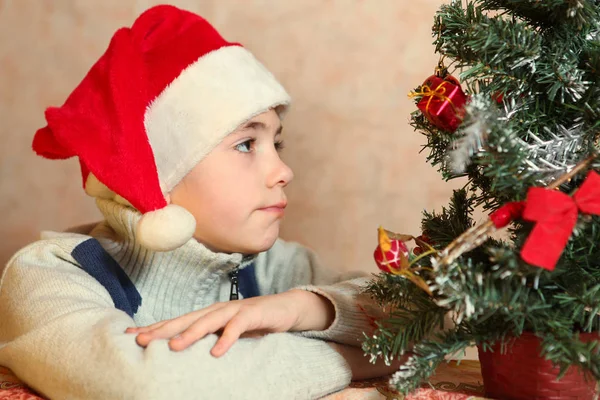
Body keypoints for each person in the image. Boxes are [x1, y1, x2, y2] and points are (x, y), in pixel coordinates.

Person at [0, 5, 401, 399]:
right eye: (246, 144)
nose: (283, 170)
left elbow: (424, 319)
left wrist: (307, 308)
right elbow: (146, 386)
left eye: (276, 143)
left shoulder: (271, 269)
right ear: (160, 175)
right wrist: (350, 358)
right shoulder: (50, 273)